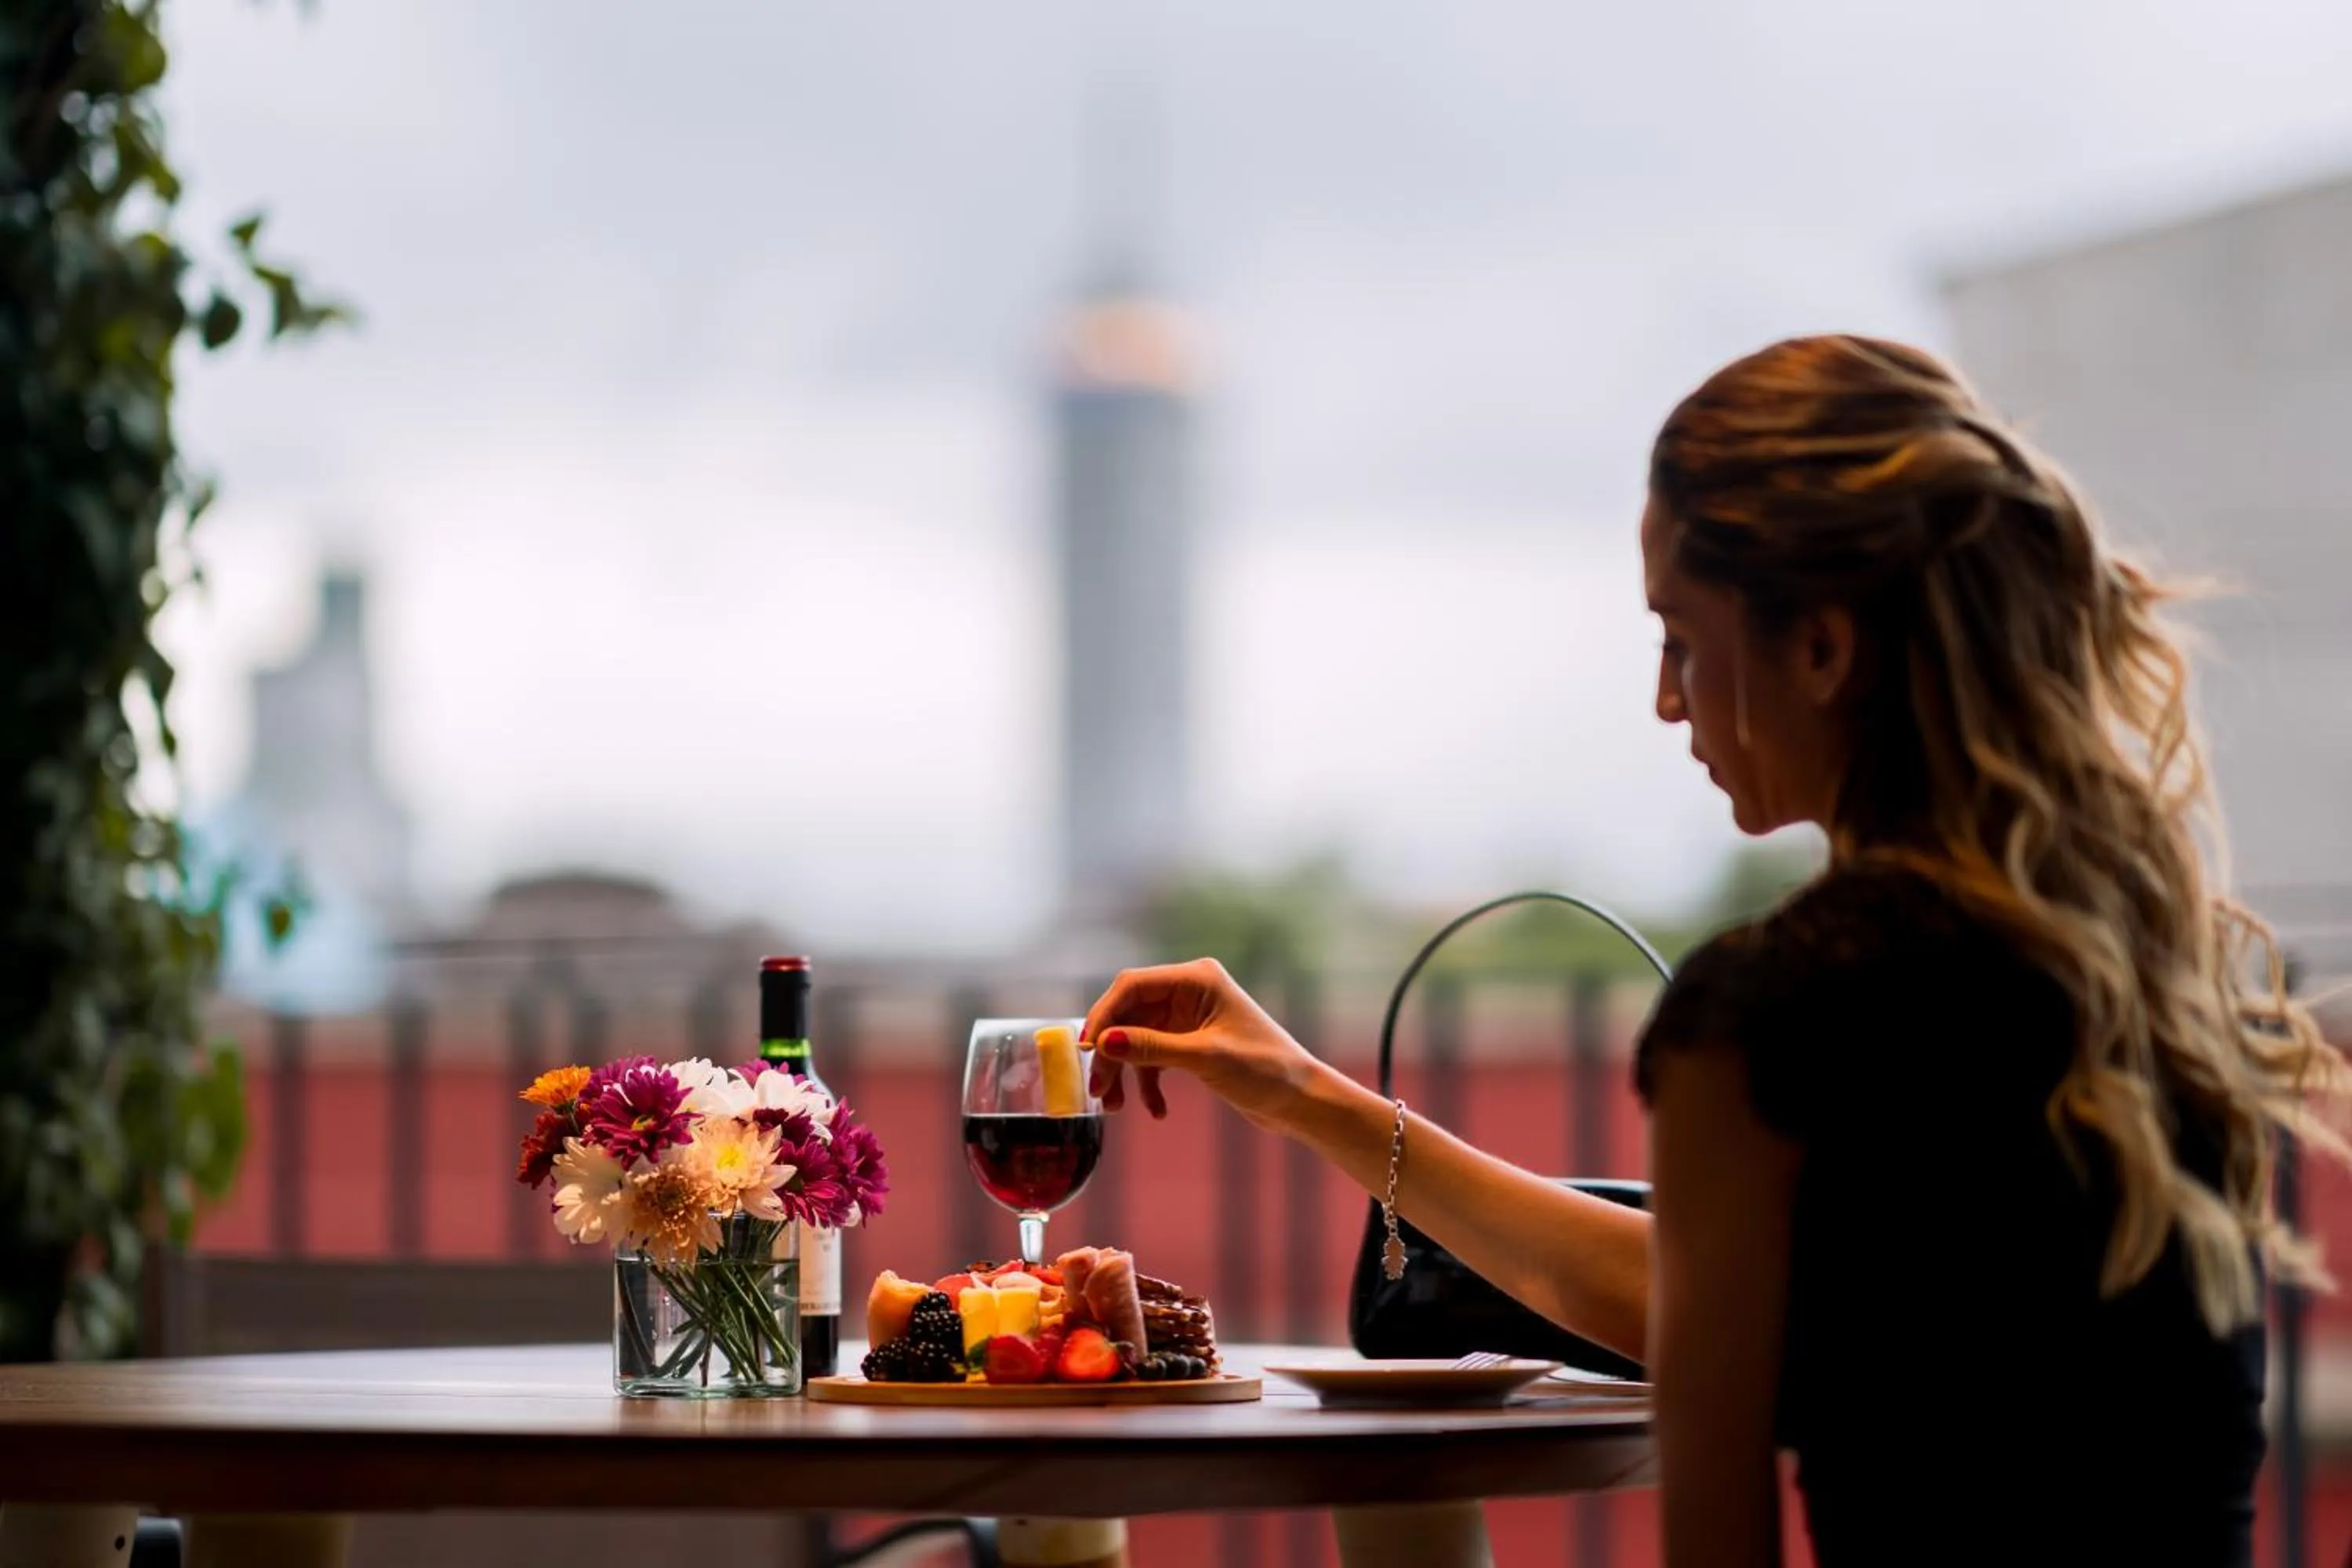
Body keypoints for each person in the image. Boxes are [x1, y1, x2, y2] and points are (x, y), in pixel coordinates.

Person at [1081, 334, 2348, 1567]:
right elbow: (1713, 1297)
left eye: (1679, 634)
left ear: (1820, 647)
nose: (1667, 698)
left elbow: (1714, 1471)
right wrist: (1309, 1096)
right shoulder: (2139, 976)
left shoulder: (1770, 1015)